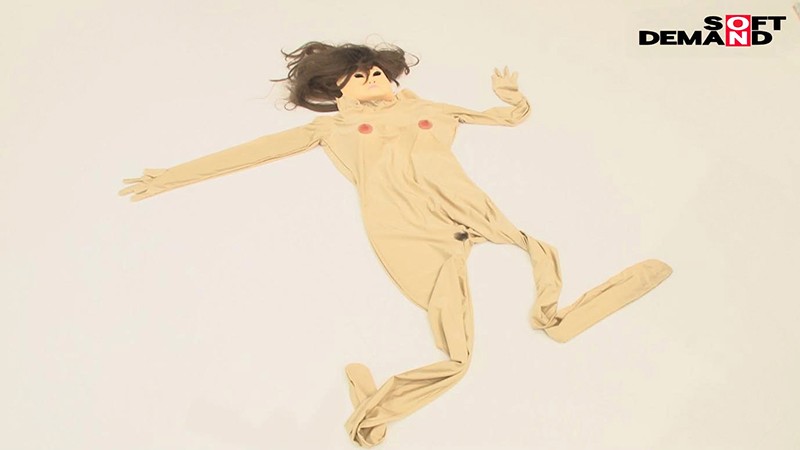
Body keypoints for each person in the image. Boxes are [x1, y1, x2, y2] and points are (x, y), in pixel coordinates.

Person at [118, 41, 673, 448]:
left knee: (535, 249)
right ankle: (373, 416)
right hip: (403, 227)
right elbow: (254, 150)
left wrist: (513, 98)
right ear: (338, 89)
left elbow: (504, 118)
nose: (372, 79)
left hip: (464, 202)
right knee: (457, 352)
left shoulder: (431, 108)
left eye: (378, 72)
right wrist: (171, 177)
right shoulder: (331, 129)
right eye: (359, 76)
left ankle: (556, 318)